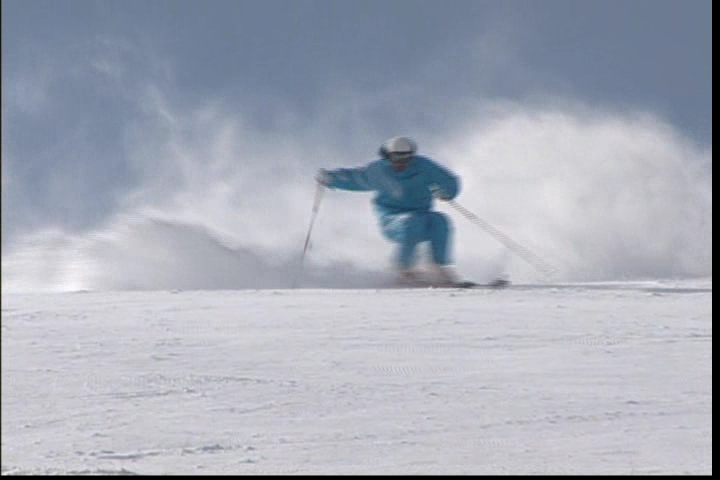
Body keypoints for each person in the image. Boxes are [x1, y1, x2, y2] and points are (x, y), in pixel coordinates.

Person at [316, 136, 464, 286]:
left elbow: (448, 180)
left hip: (423, 214)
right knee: (411, 223)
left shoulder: (423, 166)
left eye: (406, 159)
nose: (401, 163)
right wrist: (330, 178)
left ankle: (438, 268)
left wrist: (447, 192)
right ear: (388, 156)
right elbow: (356, 178)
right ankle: (403, 270)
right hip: (393, 220)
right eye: (396, 159)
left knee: (440, 221)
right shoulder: (379, 170)